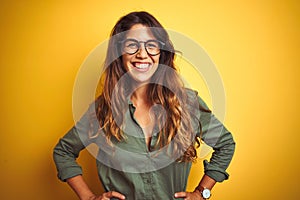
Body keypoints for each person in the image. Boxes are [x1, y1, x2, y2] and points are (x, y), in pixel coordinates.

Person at [53, 11, 235, 200]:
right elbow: (63, 151)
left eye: (151, 45)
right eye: (132, 45)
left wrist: (201, 193)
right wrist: (88, 197)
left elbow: (226, 144)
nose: (142, 54)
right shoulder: (103, 110)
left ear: (161, 52)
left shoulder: (187, 103)